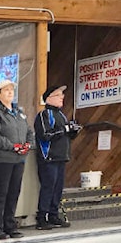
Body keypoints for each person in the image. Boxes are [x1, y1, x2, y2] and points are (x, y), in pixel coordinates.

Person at [0, 79, 33, 239]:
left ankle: (10, 225)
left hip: (19, 159)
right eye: (6, 90)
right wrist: (13, 146)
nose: (10, 92)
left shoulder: (19, 113)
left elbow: (29, 131)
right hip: (2, 159)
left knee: (14, 192)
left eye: (11, 89)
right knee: (1, 193)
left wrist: (28, 145)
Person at [33, 84, 80, 230]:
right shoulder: (44, 115)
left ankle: (53, 214)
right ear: (49, 98)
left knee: (58, 188)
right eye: (59, 95)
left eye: (62, 95)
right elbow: (45, 135)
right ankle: (42, 217)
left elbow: (64, 134)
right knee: (48, 187)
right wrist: (64, 129)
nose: (62, 98)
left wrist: (73, 131)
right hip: (49, 157)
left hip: (61, 156)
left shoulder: (61, 115)